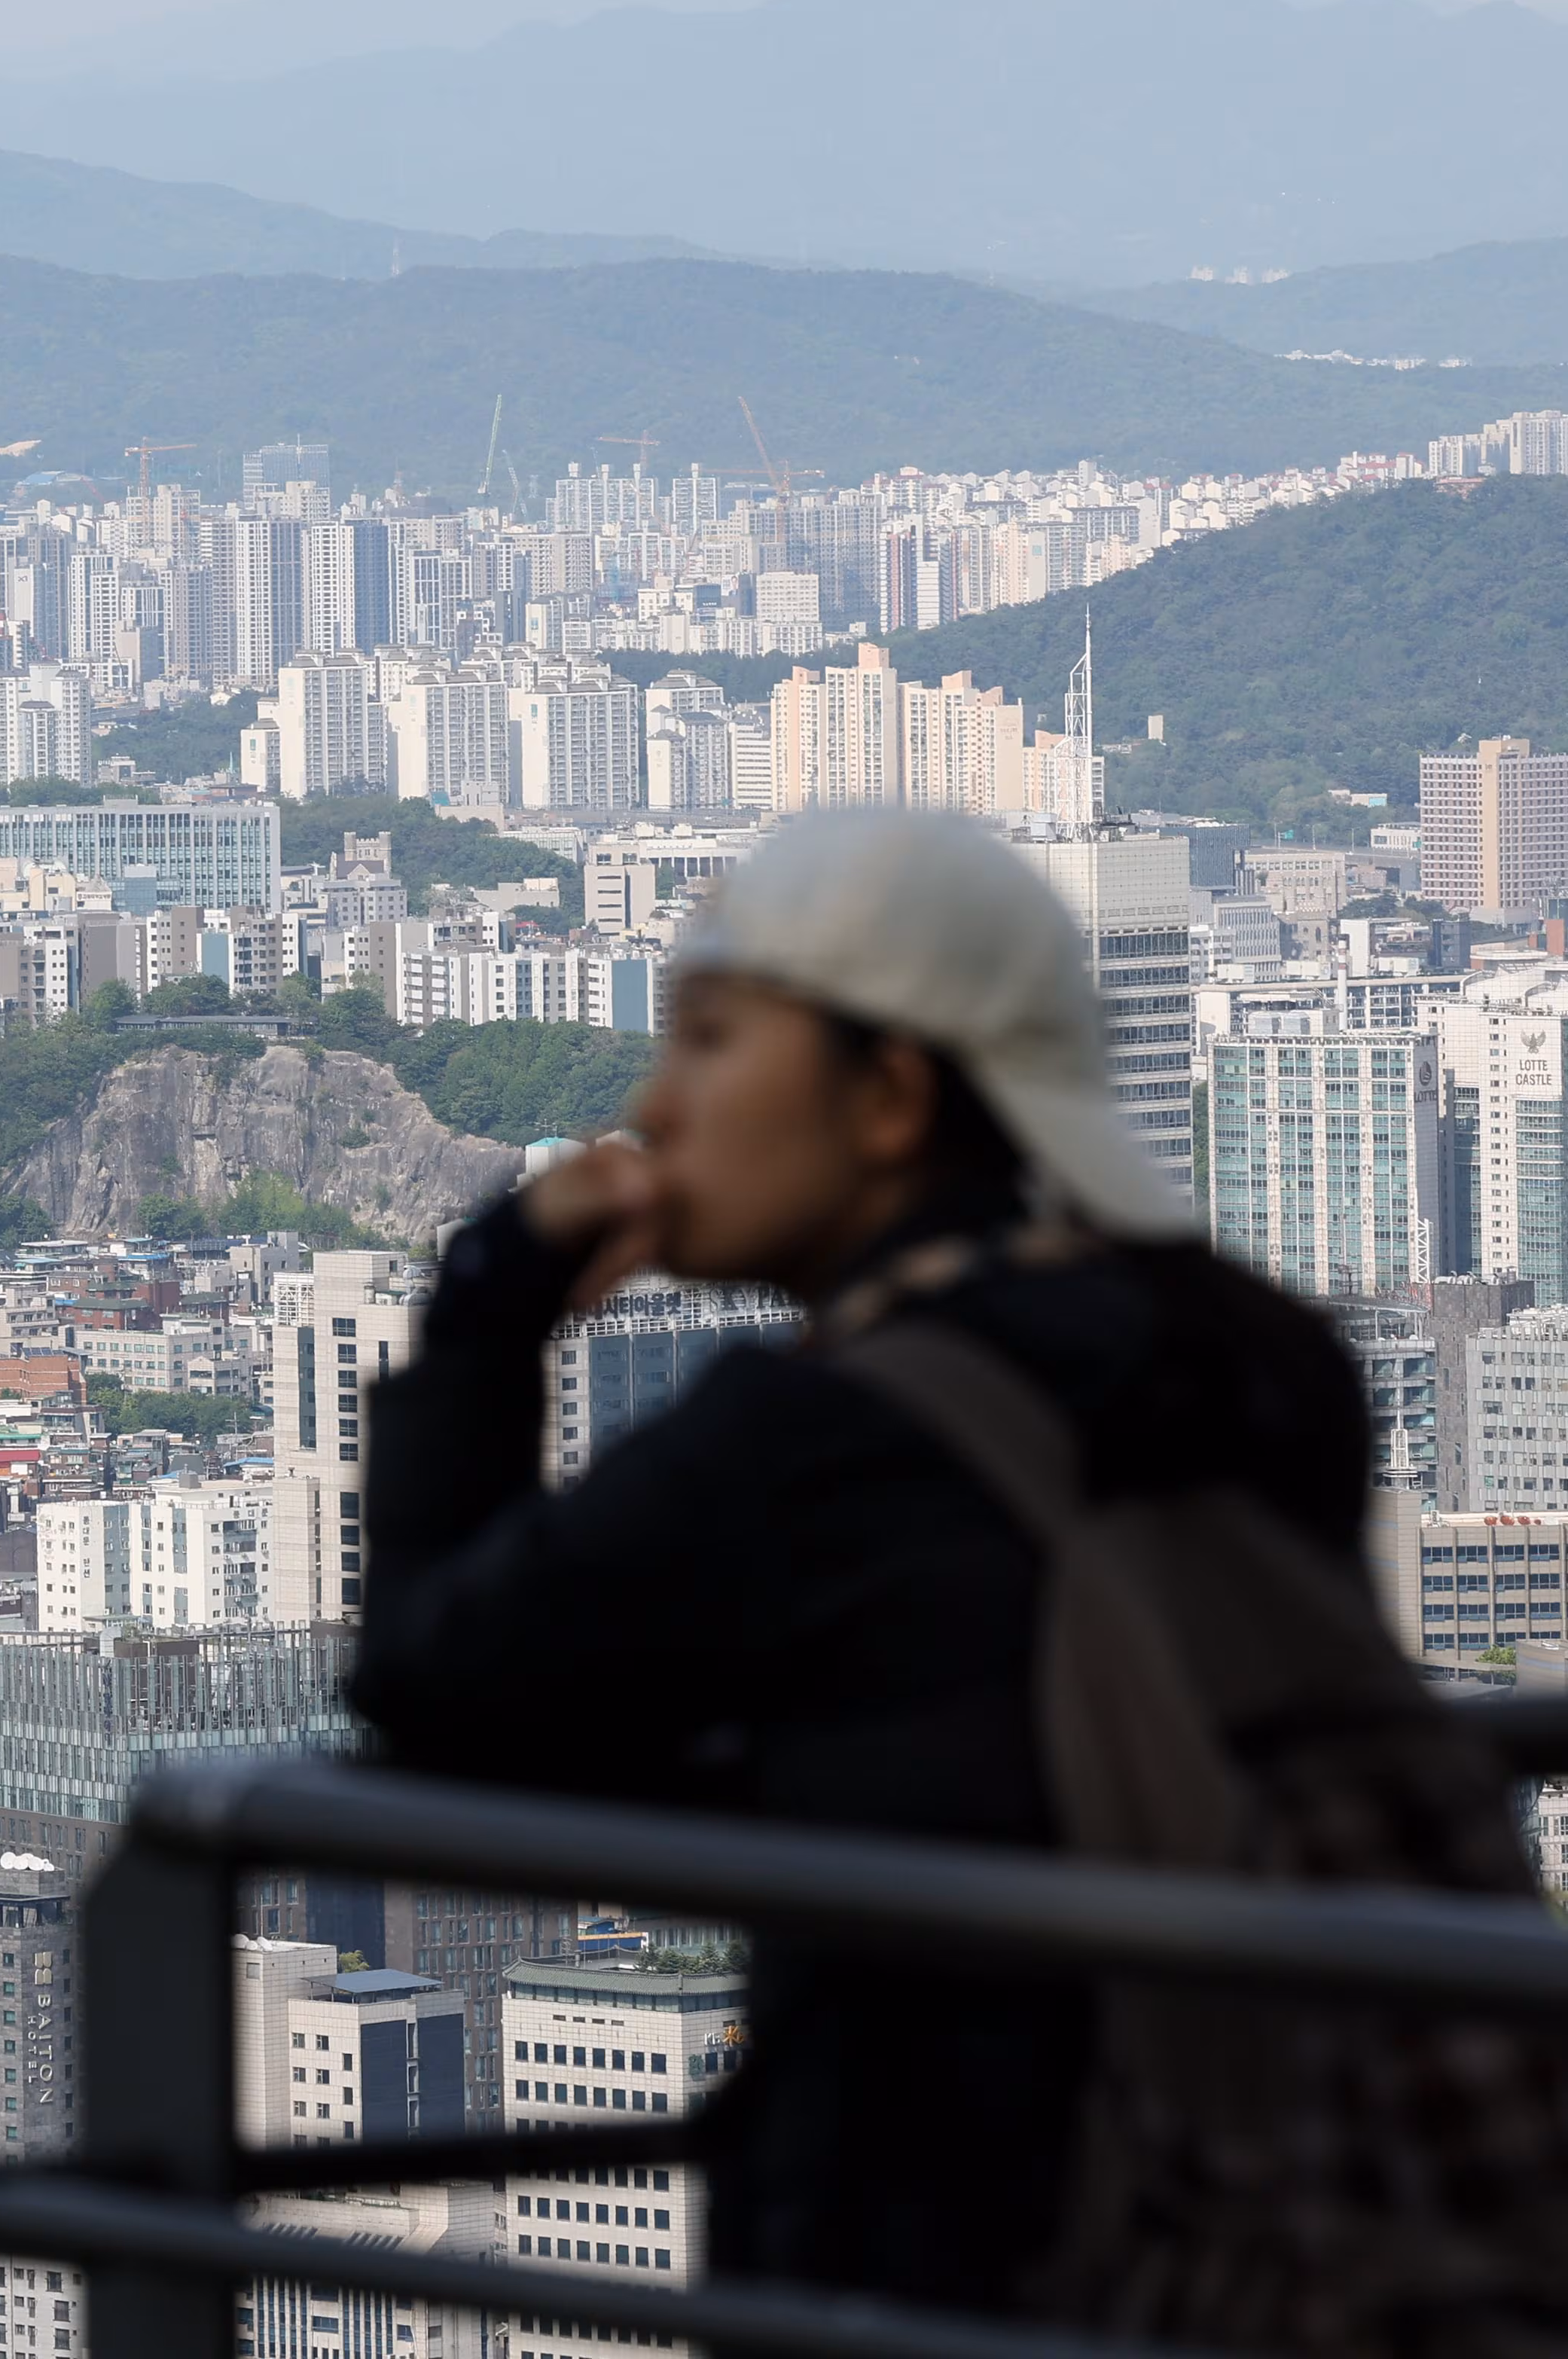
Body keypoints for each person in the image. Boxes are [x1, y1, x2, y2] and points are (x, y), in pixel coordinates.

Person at [350, 807, 1369, 2311]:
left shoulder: (816, 1439)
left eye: (708, 1041)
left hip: (950, 2241)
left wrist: (490, 1299)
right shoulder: (1264, 1355)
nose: (652, 1101)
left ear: (888, 1097)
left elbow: (432, 1679)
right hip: (1274, 2193)